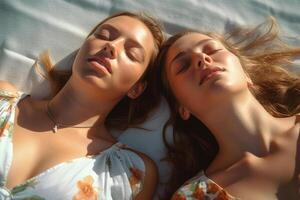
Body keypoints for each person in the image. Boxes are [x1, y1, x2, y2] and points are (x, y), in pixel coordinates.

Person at [0, 11, 164, 200]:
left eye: (131, 53)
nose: (111, 46)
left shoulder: (132, 173)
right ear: (81, 51)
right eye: (104, 36)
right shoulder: (4, 100)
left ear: (136, 88)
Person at [157, 17, 300, 199]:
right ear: (182, 108)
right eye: (183, 66)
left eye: (212, 50)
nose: (202, 58)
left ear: (246, 74)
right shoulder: (196, 196)